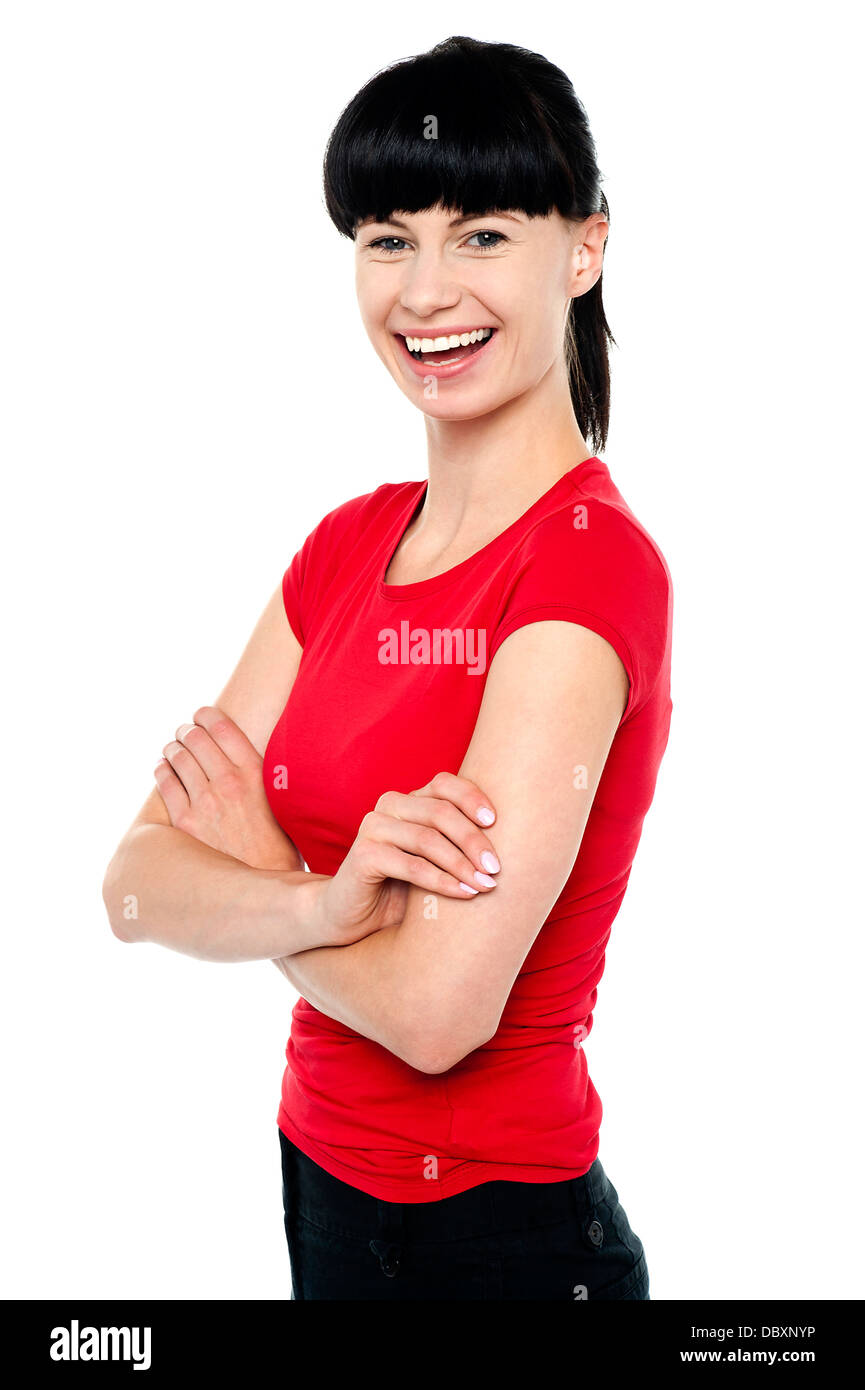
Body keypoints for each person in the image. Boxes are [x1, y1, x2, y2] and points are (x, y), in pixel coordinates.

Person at [102, 35, 673, 1301]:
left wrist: (253, 867)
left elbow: (435, 1013)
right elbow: (134, 883)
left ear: (583, 248)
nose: (423, 291)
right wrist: (320, 900)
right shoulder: (346, 545)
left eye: (479, 235)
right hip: (319, 1185)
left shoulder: (587, 567)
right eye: (386, 237)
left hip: (501, 1240)